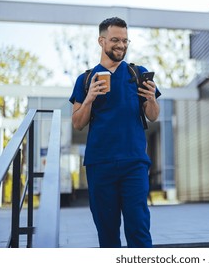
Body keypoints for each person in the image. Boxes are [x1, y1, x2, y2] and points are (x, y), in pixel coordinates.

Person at [69, 17, 161, 248]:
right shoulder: (85, 79)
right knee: (107, 233)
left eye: (125, 40)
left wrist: (150, 98)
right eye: (115, 40)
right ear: (101, 41)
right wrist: (89, 98)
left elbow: (153, 115)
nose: (121, 45)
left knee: (139, 228)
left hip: (134, 163)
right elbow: (77, 123)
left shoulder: (137, 73)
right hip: (100, 165)